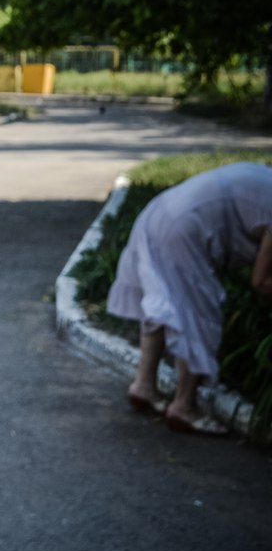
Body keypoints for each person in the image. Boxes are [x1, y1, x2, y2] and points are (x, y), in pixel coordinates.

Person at [109, 161, 272, 435]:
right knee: (195, 311)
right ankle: (184, 406)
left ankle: (144, 386)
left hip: (159, 212)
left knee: (162, 304)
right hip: (184, 229)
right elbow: (262, 281)